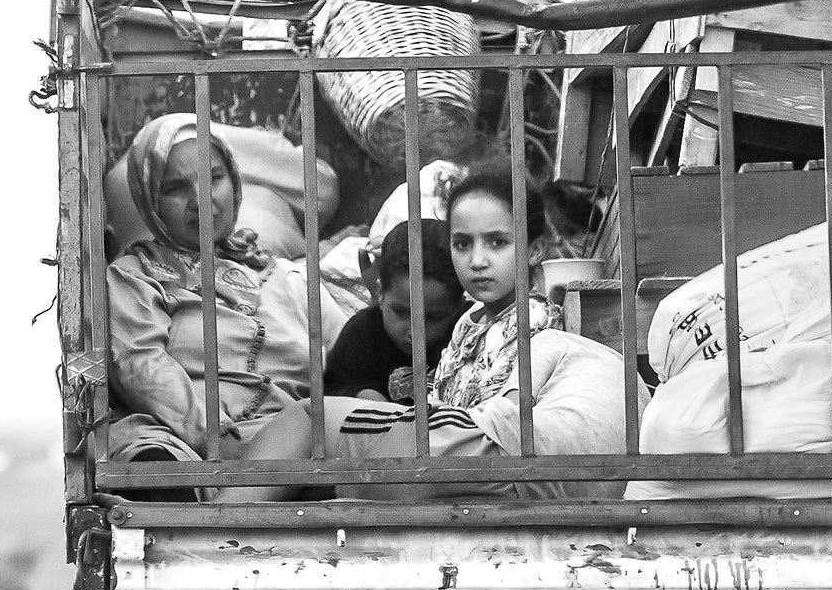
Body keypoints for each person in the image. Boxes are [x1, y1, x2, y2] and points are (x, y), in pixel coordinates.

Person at [234, 161, 644, 499]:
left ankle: (220, 528)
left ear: (535, 250)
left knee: (310, 418)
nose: (478, 260)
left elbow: (501, 426)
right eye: (463, 243)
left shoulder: (535, 321)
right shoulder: (469, 322)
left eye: (497, 243)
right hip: (465, 455)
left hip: (498, 459)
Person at [102, 113, 355, 468]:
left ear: (234, 182)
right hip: (195, 450)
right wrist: (217, 439)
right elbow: (140, 365)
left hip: (306, 449)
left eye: (214, 178)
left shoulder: (286, 277)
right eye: (175, 188)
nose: (200, 199)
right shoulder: (135, 277)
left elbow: (352, 359)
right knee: (147, 453)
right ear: (149, 200)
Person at [321, 217, 470, 402]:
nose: (414, 332)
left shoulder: (471, 334)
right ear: (380, 293)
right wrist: (360, 396)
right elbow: (331, 393)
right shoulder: (361, 334)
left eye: (432, 317)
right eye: (401, 312)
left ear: (457, 307)